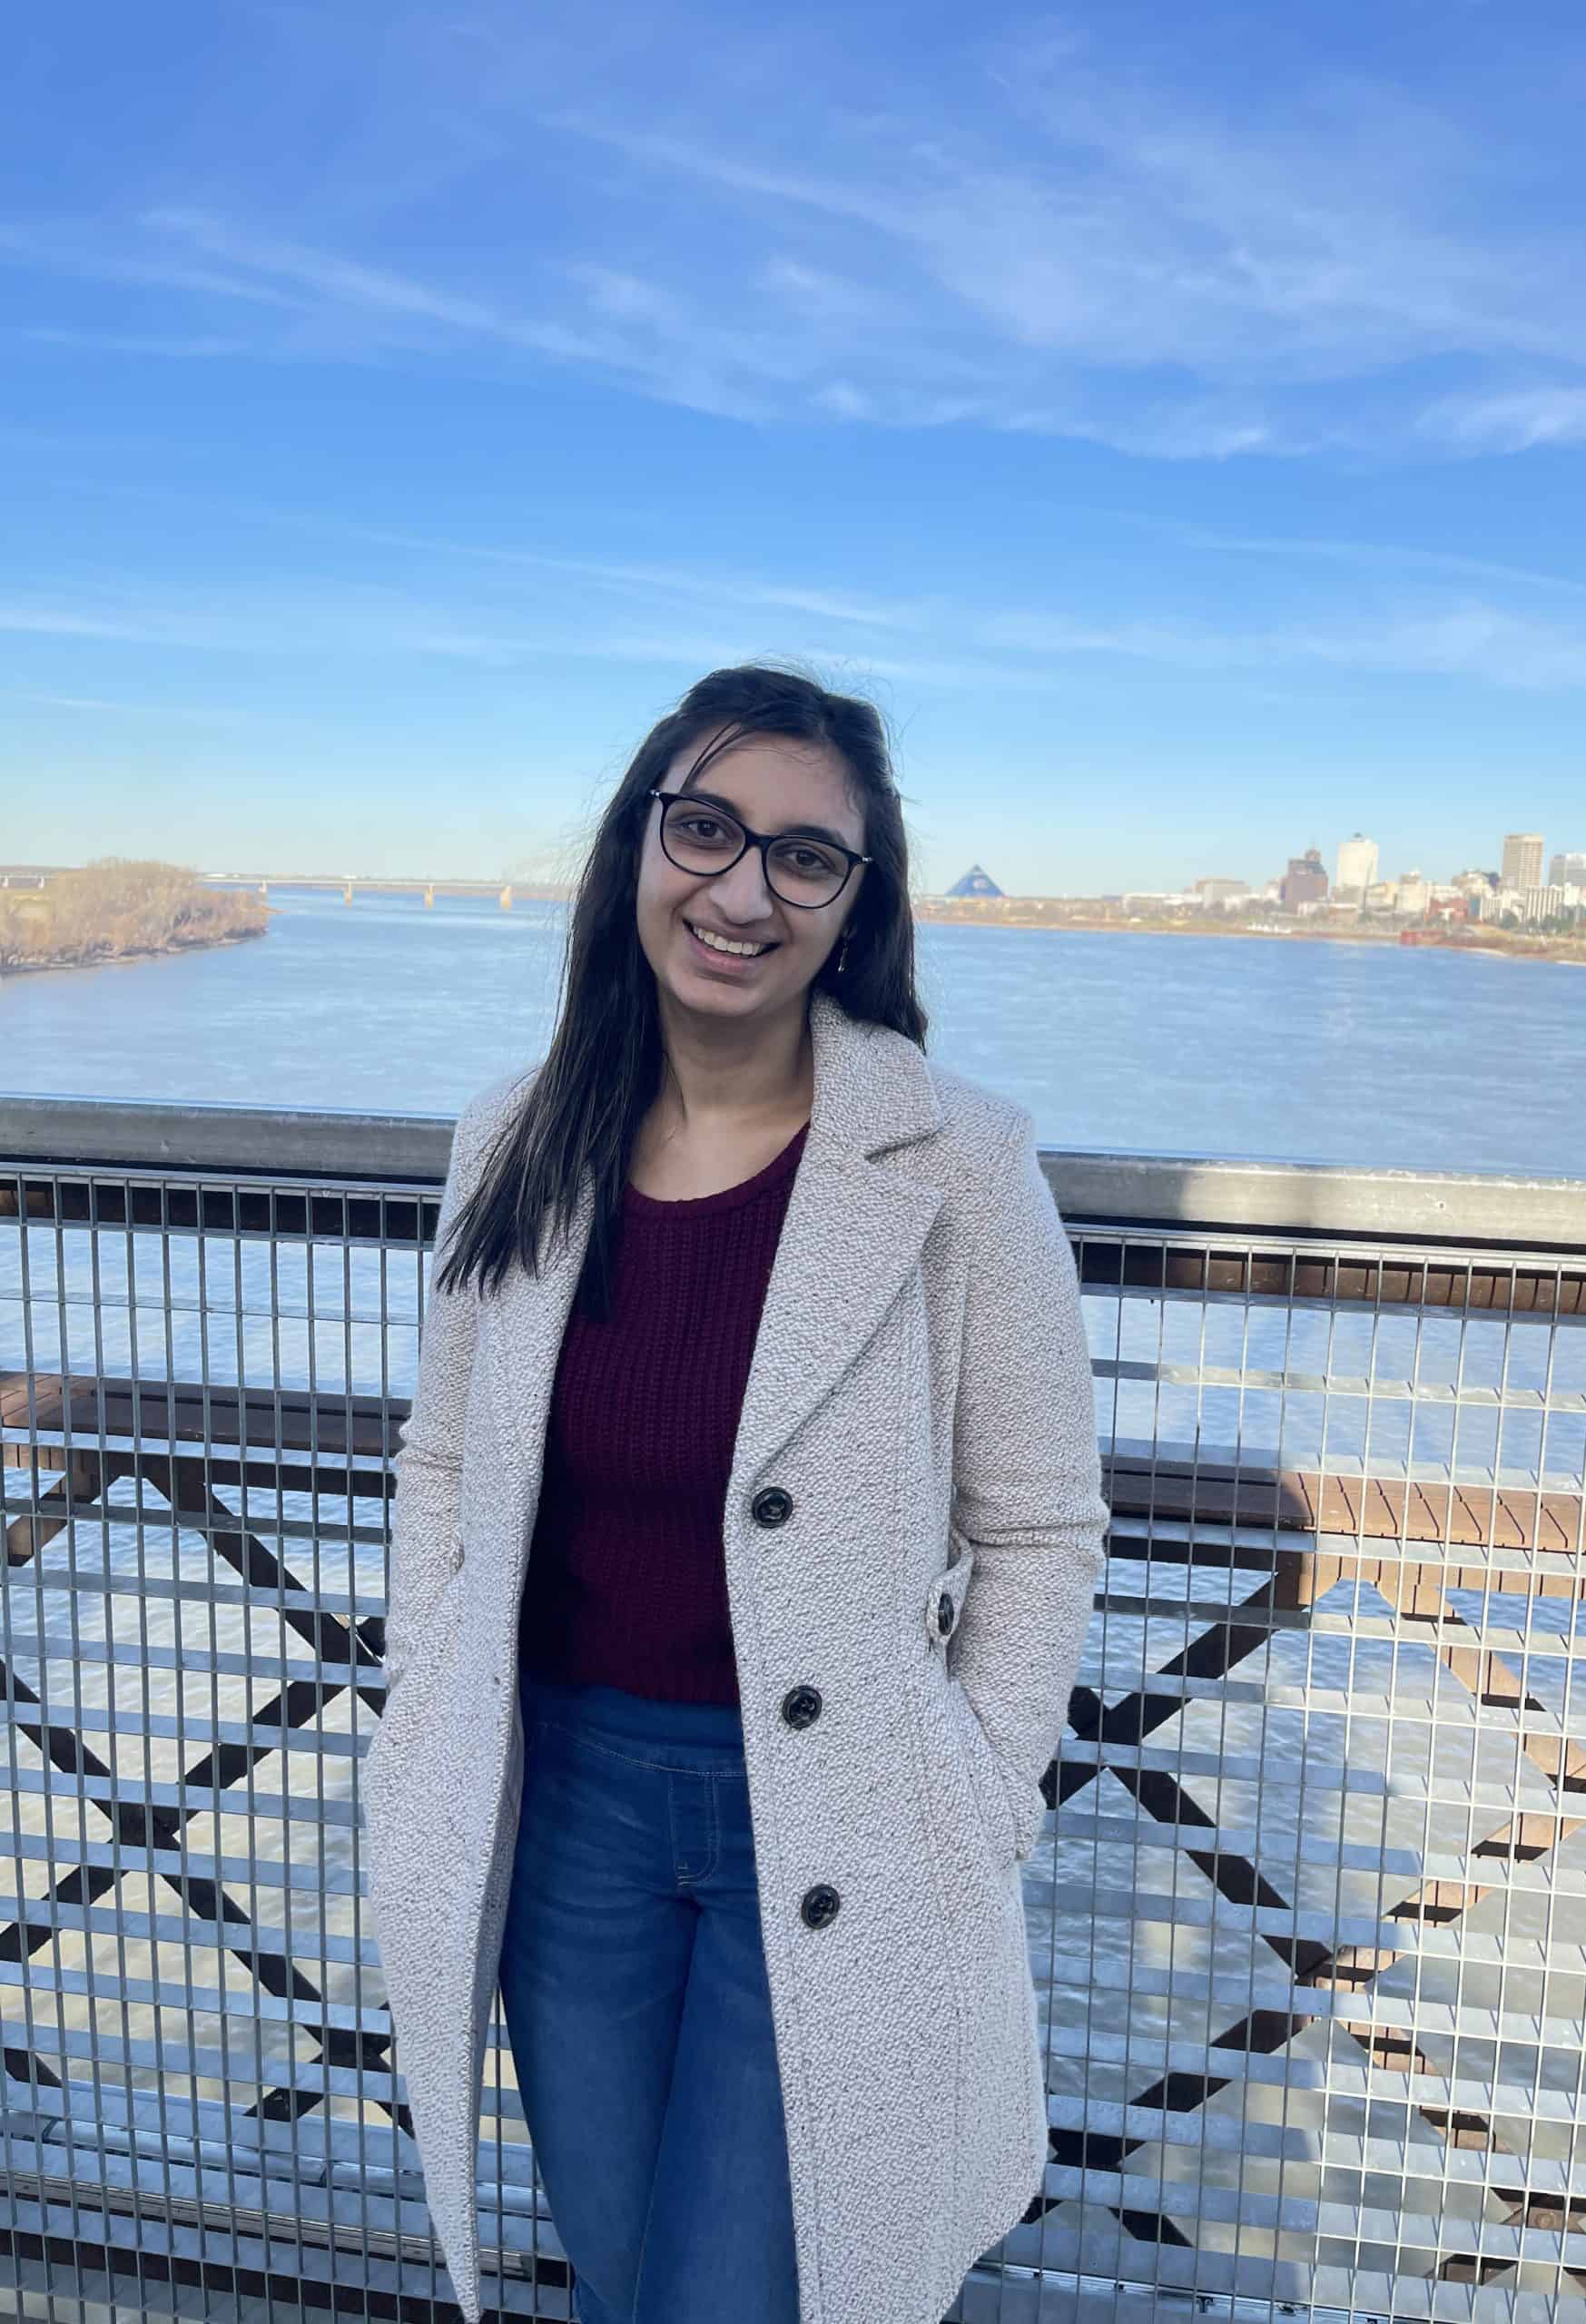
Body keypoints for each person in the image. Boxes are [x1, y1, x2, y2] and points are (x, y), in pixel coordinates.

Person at [360, 663, 1109, 2324]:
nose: (743, 889)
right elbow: (445, 1462)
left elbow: (1042, 1527)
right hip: (567, 1812)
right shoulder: (515, 1143)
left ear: (856, 906)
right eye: (706, 829)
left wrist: (974, 1797)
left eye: (805, 857)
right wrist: (428, 1693)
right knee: (627, 2288)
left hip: (833, 1823)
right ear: (639, 845)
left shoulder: (957, 1163)